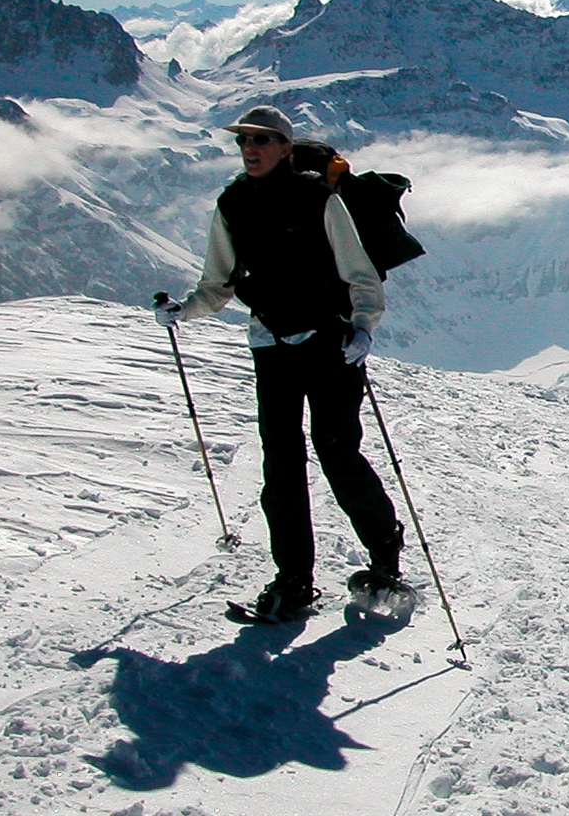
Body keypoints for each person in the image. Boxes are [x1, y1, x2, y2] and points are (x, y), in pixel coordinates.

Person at [154, 105, 404, 622]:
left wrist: (363, 327)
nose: (250, 148)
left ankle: (385, 553)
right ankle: (293, 579)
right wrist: (187, 310)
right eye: (244, 140)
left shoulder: (319, 198)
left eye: (262, 139)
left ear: (286, 147)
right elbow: (219, 282)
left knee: (336, 453)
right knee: (282, 462)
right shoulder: (232, 203)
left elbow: (358, 271)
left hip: (330, 341)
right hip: (270, 343)